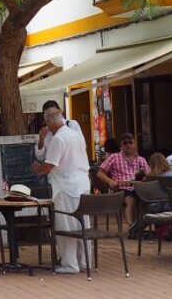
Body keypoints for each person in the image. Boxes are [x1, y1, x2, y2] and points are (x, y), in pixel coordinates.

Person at [32, 106, 91, 274]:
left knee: (66, 225)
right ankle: (85, 261)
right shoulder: (76, 135)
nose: (47, 127)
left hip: (66, 187)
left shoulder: (59, 138)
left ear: (50, 122)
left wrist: (37, 168)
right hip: (82, 185)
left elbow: (49, 165)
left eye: (47, 123)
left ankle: (70, 264)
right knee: (82, 224)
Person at [96, 133, 149, 231]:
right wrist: (110, 181)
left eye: (130, 142)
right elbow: (100, 173)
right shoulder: (114, 157)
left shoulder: (141, 160)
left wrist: (144, 179)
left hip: (139, 188)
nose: (128, 145)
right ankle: (131, 226)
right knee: (130, 200)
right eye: (125, 143)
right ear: (121, 145)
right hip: (120, 188)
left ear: (135, 144)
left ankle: (141, 226)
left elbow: (149, 175)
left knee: (147, 200)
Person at [33, 100, 88, 173]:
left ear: (59, 113)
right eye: (48, 115)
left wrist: (39, 168)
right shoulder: (46, 133)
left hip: (73, 174)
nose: (52, 118)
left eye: (53, 114)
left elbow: (82, 146)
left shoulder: (70, 126)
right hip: (58, 178)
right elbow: (40, 157)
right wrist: (41, 139)